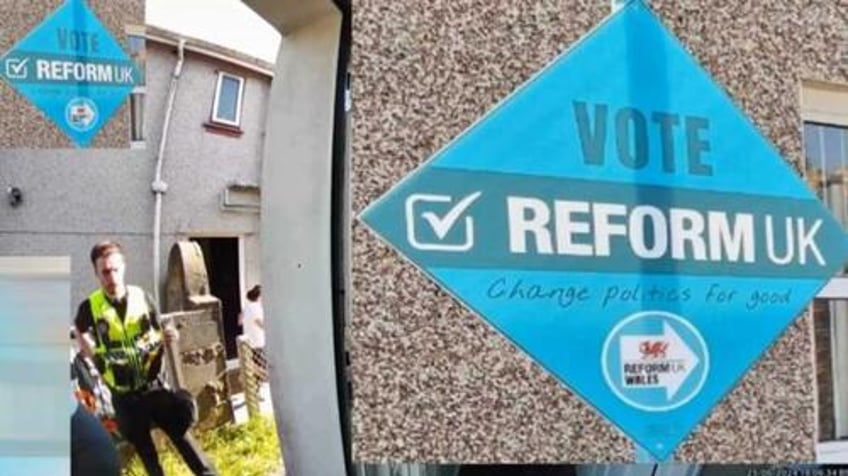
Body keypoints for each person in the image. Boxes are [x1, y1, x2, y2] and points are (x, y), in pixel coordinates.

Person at [74, 241, 217, 476]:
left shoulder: (143, 297)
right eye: (105, 272)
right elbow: (79, 330)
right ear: (96, 273)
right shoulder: (90, 306)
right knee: (148, 456)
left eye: (115, 269)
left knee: (184, 439)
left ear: (124, 267)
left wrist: (170, 336)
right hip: (125, 396)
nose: (111, 277)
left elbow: (159, 329)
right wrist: (95, 358)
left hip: (155, 387)